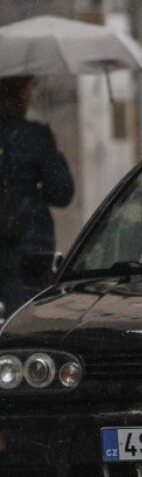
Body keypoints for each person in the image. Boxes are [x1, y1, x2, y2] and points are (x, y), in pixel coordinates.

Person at [0, 75, 74, 318]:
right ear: (21, 92)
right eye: (31, 87)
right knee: (25, 320)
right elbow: (63, 192)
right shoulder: (34, 136)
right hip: (28, 247)